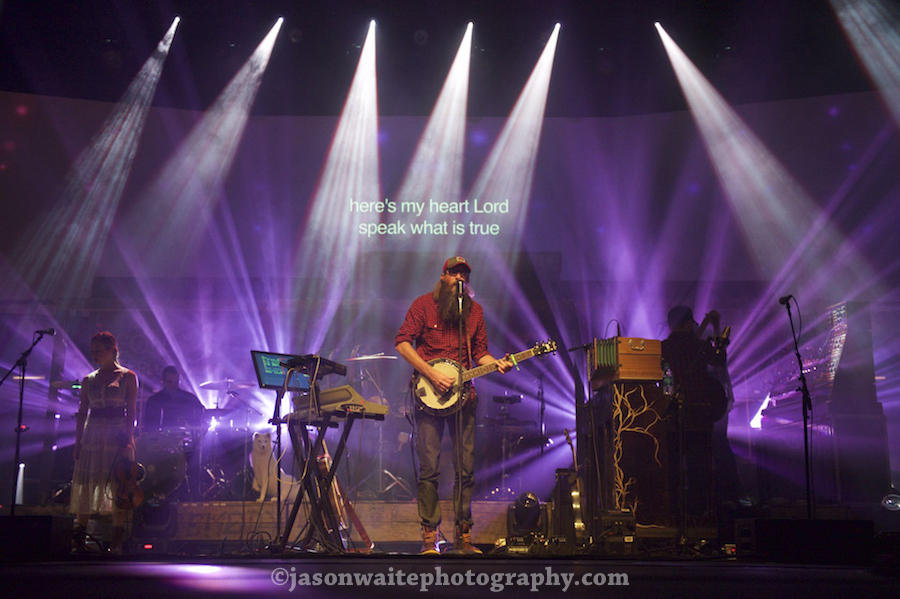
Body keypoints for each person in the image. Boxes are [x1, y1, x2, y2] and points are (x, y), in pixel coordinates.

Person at [395, 256, 513, 555]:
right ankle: (429, 537)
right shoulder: (423, 305)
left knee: (466, 470)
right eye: (455, 273)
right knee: (429, 469)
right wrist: (430, 373)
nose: (460, 278)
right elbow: (402, 342)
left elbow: (480, 353)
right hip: (428, 397)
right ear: (443, 276)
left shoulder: (475, 312)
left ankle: (464, 536)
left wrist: (497, 364)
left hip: (464, 400)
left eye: (465, 274)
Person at [70, 331, 138, 554]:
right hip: (93, 434)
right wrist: (78, 441)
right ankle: (78, 539)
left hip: (117, 434)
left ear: (112, 349)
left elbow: (132, 411)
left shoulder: (128, 376)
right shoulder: (89, 379)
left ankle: (116, 539)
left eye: (99, 350)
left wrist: (128, 439)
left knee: (118, 484)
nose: (95, 354)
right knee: (88, 483)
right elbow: (82, 412)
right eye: (93, 351)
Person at [661, 306, 728, 521]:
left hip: (670, 415)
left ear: (670, 324)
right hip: (698, 416)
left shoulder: (662, 349)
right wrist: (717, 328)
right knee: (698, 471)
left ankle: (672, 516)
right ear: (690, 323)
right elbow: (719, 360)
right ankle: (698, 518)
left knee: (671, 471)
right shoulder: (699, 346)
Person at [143, 366, 205, 431]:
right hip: (162, 439)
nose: (173, 385)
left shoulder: (190, 398)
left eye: (176, 382)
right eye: (169, 382)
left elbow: (202, 415)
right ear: (163, 381)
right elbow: (149, 426)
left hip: (186, 437)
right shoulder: (154, 401)